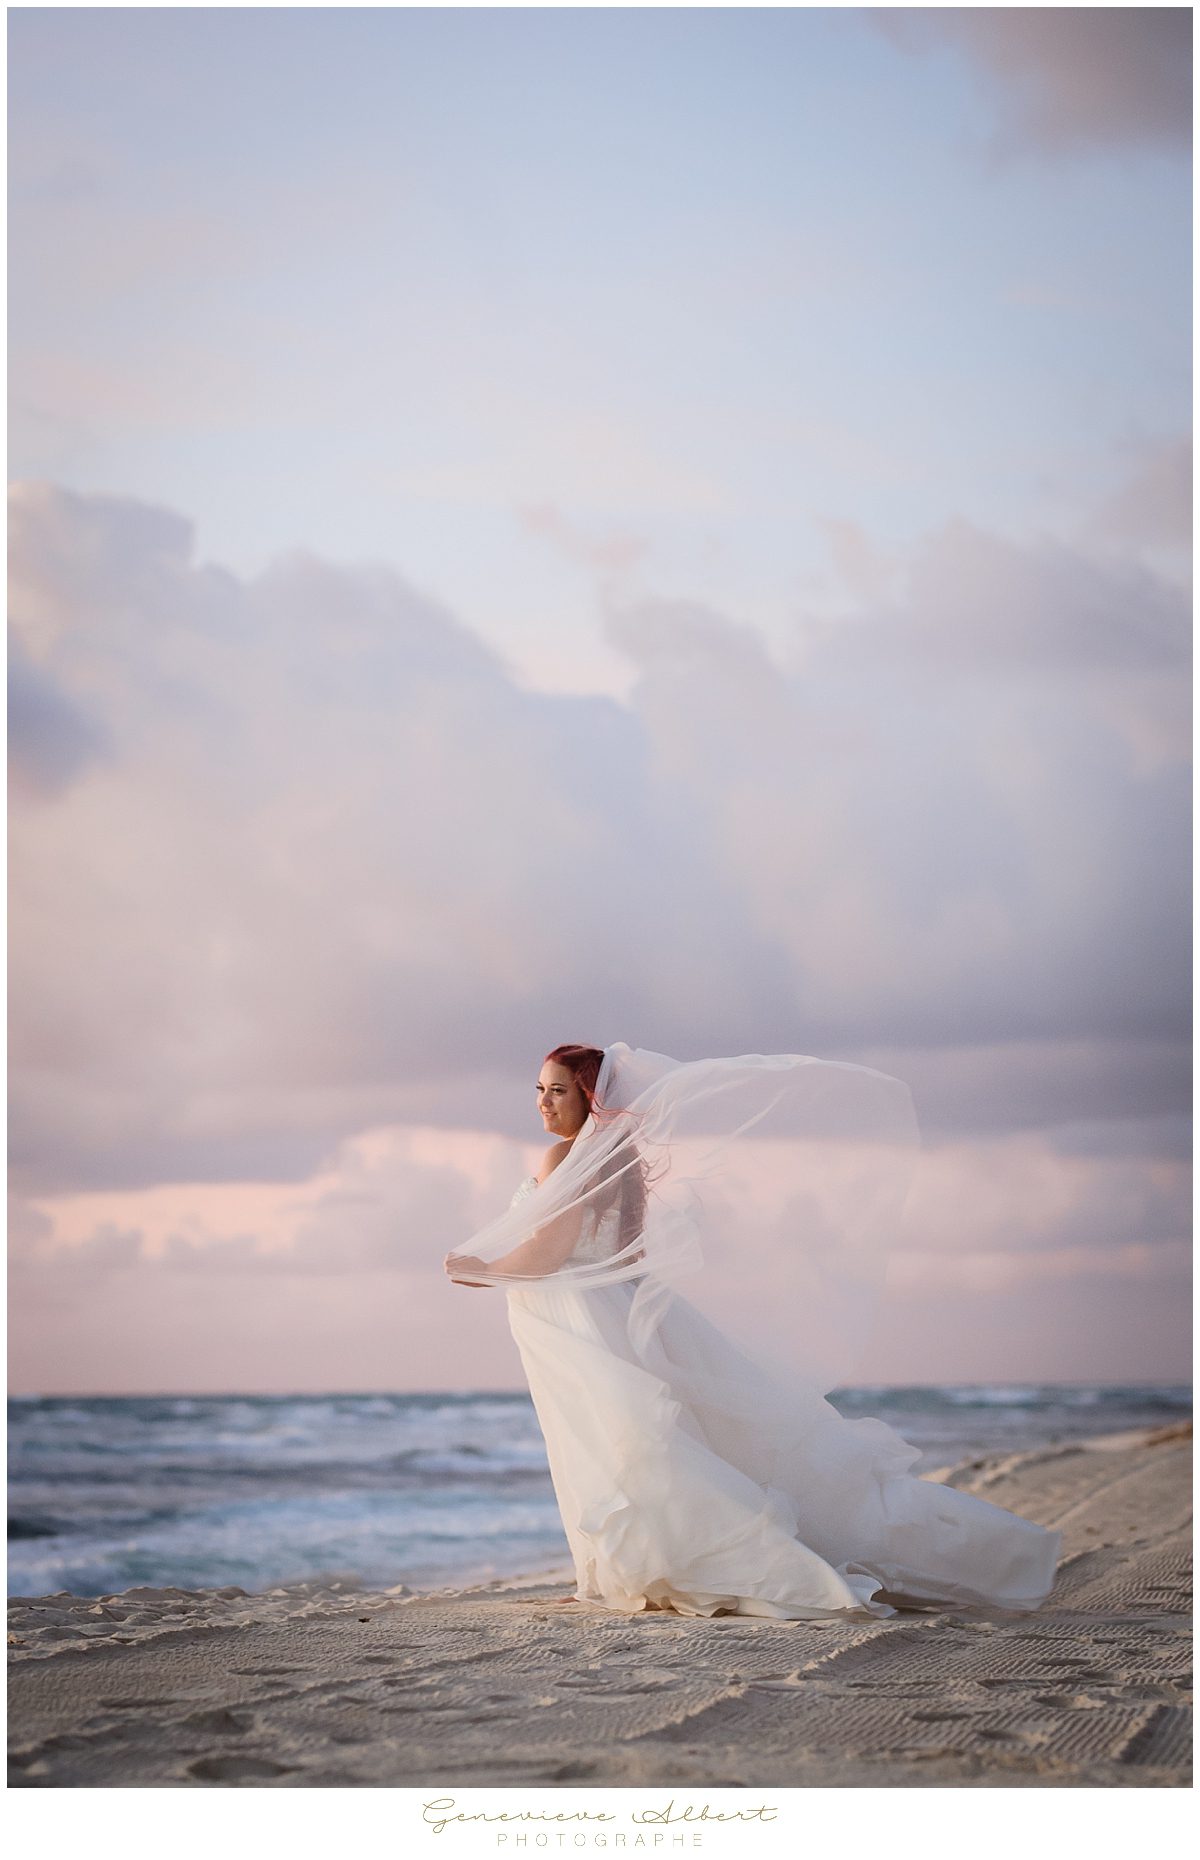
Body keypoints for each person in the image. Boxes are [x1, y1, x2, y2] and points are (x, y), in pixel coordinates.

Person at [444, 1041, 1060, 1620]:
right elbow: (626, 1256)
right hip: (603, 1308)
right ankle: (622, 1573)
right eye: (540, 1089)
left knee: (610, 1439)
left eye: (557, 1091)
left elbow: (548, 1252)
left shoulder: (566, 1159)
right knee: (628, 1439)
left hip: (578, 1315)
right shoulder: (620, 1162)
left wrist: (480, 1270)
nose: (543, 1103)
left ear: (590, 1099)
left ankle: (636, 1572)